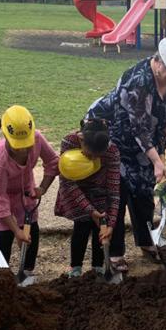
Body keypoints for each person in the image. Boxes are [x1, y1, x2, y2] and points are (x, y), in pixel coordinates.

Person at [86, 32, 166, 267]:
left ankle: (146, 240)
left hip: (145, 143)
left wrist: (164, 141)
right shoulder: (137, 81)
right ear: (159, 63)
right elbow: (139, 129)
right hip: (114, 136)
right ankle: (115, 253)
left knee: (144, 193)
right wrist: (157, 161)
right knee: (119, 193)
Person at [0, 105, 58, 280]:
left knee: (32, 230)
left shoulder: (37, 138)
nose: (23, 150)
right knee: (5, 234)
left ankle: (27, 271)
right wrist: (16, 230)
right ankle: (0, 277)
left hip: (24, 188)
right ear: (5, 135)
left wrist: (42, 188)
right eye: (18, 146)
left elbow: (53, 161)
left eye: (26, 145)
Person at [54, 118, 120, 277]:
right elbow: (67, 182)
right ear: (82, 139)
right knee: (82, 225)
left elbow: (114, 190)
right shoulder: (69, 142)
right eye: (90, 155)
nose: (92, 160)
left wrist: (110, 224)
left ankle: (98, 267)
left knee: (101, 226)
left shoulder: (112, 152)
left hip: (100, 190)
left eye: (98, 157)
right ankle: (75, 268)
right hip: (77, 190)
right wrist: (89, 210)